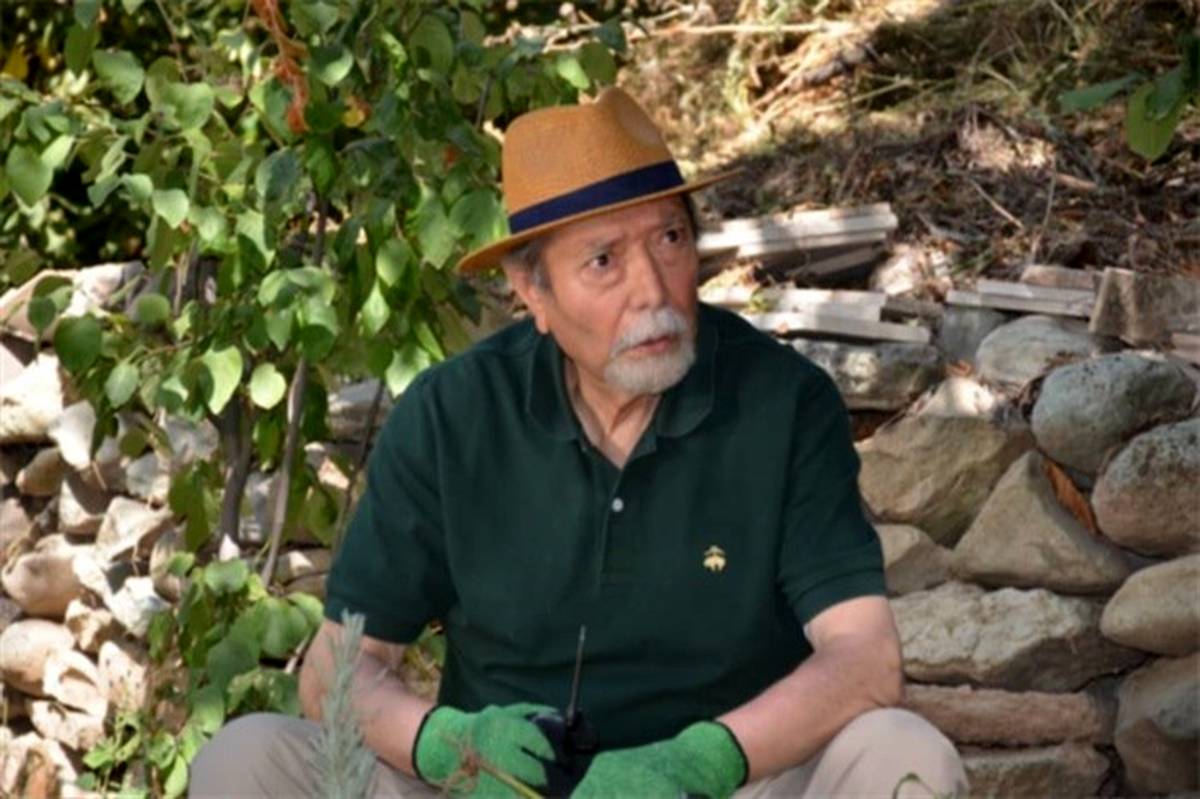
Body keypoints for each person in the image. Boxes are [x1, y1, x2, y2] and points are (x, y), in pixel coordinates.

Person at [191, 87, 967, 798]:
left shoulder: (783, 404)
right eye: (604, 260)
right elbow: (336, 670)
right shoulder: (452, 416)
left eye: (670, 237)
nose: (653, 290)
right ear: (532, 290)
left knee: (902, 755)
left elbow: (865, 658)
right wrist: (451, 746)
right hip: (496, 790)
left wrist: (698, 761)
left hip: (727, 784)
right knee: (248, 759)